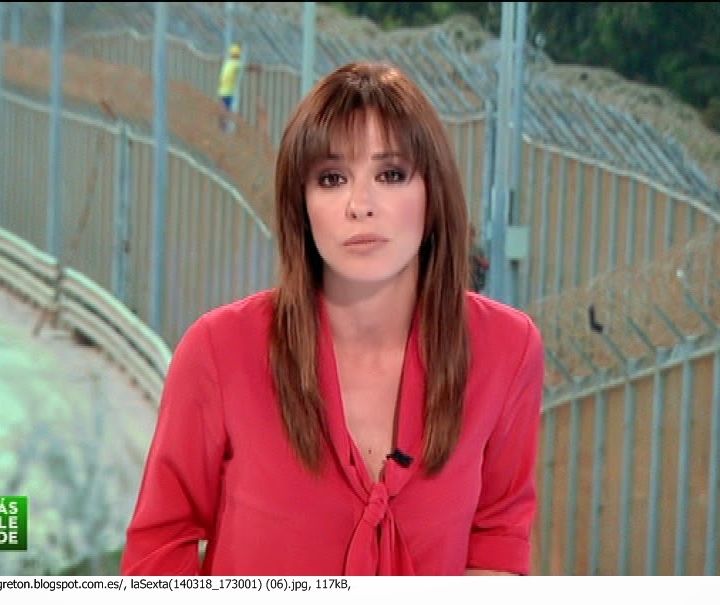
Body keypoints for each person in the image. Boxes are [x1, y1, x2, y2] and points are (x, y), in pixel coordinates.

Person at [121, 60, 545, 576]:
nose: (360, 205)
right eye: (332, 178)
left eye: (390, 175)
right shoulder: (219, 350)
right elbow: (160, 550)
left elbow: (498, 537)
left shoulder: (507, 349)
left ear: (433, 195)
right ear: (301, 206)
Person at [216, 43, 260, 133]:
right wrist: (256, 68)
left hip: (222, 90)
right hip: (228, 91)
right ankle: (226, 126)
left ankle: (223, 126)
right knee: (228, 110)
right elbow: (247, 67)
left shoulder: (228, 62)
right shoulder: (235, 63)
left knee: (224, 109)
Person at [469, 224, 490, 292]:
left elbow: (486, 265)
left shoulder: (477, 249)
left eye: (470, 234)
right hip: (461, 280)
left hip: (474, 281)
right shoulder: (459, 248)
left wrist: (478, 259)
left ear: (473, 235)